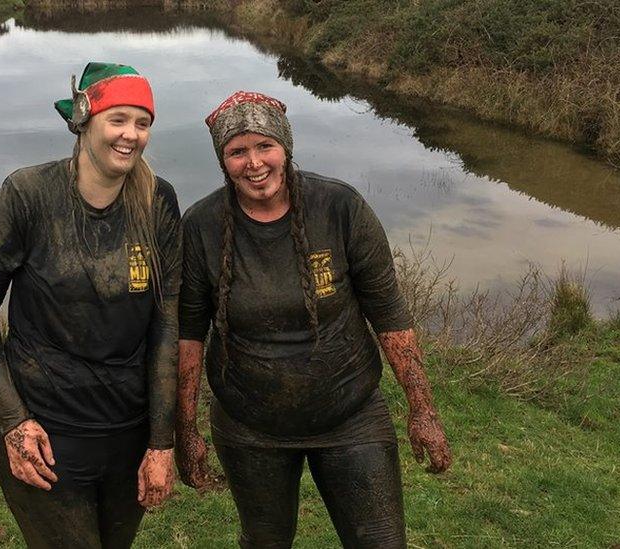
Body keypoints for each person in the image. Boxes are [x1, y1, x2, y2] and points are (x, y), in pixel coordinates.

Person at [175, 91, 452, 548]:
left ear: (285, 147)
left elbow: (390, 317)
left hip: (349, 415)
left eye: (265, 146)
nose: (254, 163)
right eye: (237, 151)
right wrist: (186, 430)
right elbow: (188, 337)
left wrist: (422, 410)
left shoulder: (339, 207)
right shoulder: (201, 226)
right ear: (223, 161)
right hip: (249, 424)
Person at [0, 62, 180, 549]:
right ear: (84, 120)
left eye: (143, 123)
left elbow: (165, 327)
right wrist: (14, 422)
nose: (131, 135)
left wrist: (162, 443)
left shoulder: (158, 201)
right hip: (47, 436)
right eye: (118, 119)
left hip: (127, 434)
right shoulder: (28, 195)